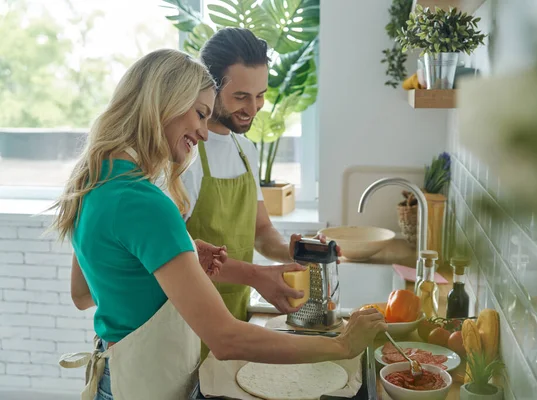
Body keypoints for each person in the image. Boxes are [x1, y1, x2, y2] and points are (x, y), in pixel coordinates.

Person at [49, 49, 386, 400]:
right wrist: (344, 346)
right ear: (164, 100)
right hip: (148, 386)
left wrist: (182, 255)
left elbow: (85, 293)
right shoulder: (145, 204)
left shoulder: (95, 182)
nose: (205, 133)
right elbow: (226, 338)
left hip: (114, 379)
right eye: (199, 114)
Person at [177, 27, 336, 331]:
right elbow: (177, 255)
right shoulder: (186, 154)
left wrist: (294, 248)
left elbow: (261, 231)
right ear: (208, 87)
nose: (253, 109)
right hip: (187, 320)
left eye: (260, 96)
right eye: (241, 97)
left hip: (234, 316)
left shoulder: (244, 148)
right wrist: (257, 275)